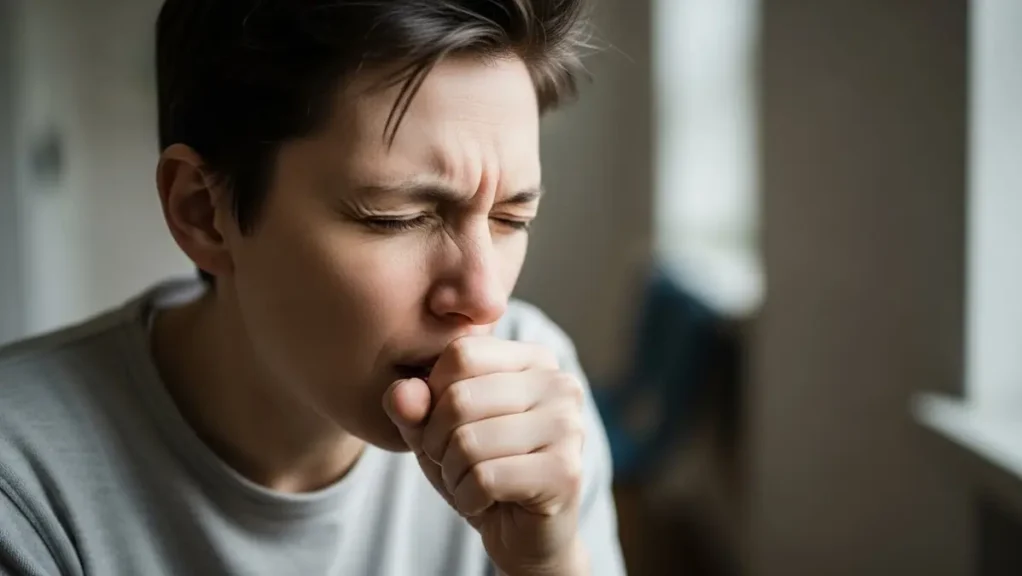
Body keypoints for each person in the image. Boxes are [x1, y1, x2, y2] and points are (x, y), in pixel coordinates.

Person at [0, 1, 626, 575]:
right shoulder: (23, 481)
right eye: (398, 217)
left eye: (511, 219)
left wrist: (549, 561)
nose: (486, 298)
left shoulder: (532, 393)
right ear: (201, 212)